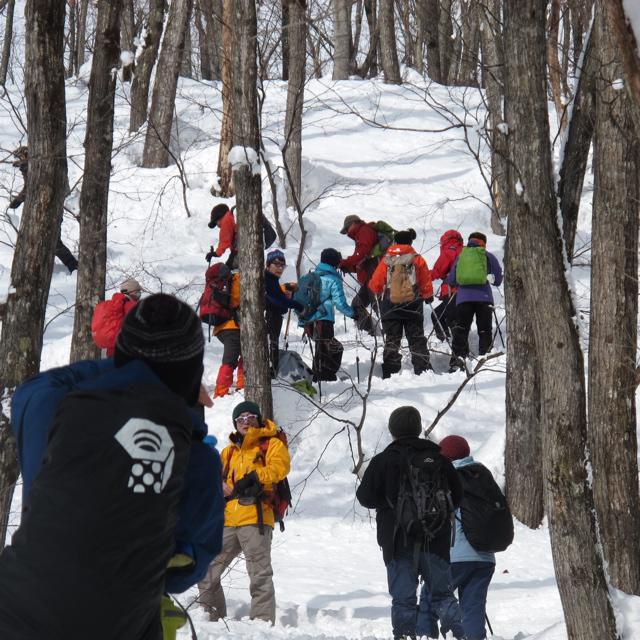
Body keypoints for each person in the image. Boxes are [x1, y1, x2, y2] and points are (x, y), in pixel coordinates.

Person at [0, 293, 225, 640]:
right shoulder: (198, 461)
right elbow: (186, 567)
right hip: (119, 624)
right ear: (191, 376)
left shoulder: (59, 408)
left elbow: (35, 387)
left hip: (14, 611)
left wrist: (127, 368)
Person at [356, 406, 466, 640]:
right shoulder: (439, 460)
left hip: (397, 543)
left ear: (392, 430)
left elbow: (364, 497)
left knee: (403, 600)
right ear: (418, 428)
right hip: (435, 539)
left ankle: (405, 636)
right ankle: (459, 635)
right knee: (443, 596)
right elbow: (457, 497)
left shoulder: (384, 461)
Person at [198, 401, 291, 624]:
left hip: (257, 517)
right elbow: (212, 479)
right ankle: (211, 620)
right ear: (235, 423)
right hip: (229, 519)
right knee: (206, 570)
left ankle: (260, 625)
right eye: (240, 419)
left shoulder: (272, 445)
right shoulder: (228, 452)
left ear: (258, 419)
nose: (245, 422)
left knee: (259, 575)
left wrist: (254, 478)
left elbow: (280, 468)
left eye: (250, 417)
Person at [439, 435, 495, 640]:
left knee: (430, 598)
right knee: (473, 605)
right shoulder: (482, 475)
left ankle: (426, 635)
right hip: (485, 556)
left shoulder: (447, 479)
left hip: (456, 556)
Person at [368, 229, 434, 378]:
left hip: (390, 305)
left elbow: (375, 283)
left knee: (392, 339)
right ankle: (422, 369)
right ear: (411, 242)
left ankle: (390, 371)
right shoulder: (417, 259)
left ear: (395, 242)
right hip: (413, 305)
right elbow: (425, 280)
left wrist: (376, 290)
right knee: (416, 338)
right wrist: (428, 295)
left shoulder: (387, 259)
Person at [8, 145, 79, 274]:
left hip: (50, 210)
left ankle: (74, 267)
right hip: (45, 209)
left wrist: (18, 201)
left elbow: (31, 187)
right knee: (39, 240)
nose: (20, 162)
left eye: (21, 158)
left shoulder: (35, 167)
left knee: (54, 242)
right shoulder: (36, 166)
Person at [447, 232, 503, 372]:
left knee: (461, 330)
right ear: (483, 242)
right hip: (484, 298)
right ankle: (485, 361)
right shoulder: (487, 256)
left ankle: (457, 362)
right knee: (484, 331)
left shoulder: (461, 256)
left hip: (463, 299)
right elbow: (498, 280)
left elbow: (452, 279)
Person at [303, 248, 355, 382]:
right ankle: (326, 377)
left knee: (321, 348)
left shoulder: (311, 276)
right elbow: (340, 303)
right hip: (324, 319)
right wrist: (353, 314)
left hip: (310, 319)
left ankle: (318, 376)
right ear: (334, 263)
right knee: (332, 348)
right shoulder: (332, 279)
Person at [338, 214, 380, 335]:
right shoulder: (360, 235)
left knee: (377, 306)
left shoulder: (364, 231)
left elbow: (362, 253)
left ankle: (387, 333)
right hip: (369, 278)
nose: (347, 233)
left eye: (347, 229)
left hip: (375, 277)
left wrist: (345, 262)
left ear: (353, 224)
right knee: (357, 305)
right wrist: (348, 266)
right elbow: (362, 261)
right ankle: (373, 333)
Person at [264, 249, 303, 377]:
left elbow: (281, 303)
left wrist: (288, 298)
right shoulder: (267, 279)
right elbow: (278, 301)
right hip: (269, 316)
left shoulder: (273, 280)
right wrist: (297, 305)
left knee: (273, 343)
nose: (280, 268)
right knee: (271, 344)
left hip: (274, 317)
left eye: (282, 265)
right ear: (268, 265)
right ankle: (271, 373)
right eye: (276, 264)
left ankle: (272, 372)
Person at [210, 267, 243, 398]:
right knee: (231, 358)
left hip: (221, 326)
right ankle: (221, 391)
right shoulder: (237, 279)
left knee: (244, 353)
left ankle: (243, 384)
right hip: (232, 326)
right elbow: (235, 300)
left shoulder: (224, 281)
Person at [91, 277, 142, 357]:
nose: (139, 297)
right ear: (131, 293)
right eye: (138, 293)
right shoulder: (132, 306)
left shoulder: (110, 305)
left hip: (111, 355)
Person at [429, 229, 464, 342]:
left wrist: (421, 277)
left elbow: (437, 271)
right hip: (469, 294)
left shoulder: (449, 251)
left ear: (445, 241)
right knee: (453, 319)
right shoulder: (466, 250)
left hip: (453, 292)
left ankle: (447, 343)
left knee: (438, 316)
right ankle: (459, 347)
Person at [206, 203, 237, 268]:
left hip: (239, 250)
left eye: (216, 222)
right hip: (239, 248)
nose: (217, 226)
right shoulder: (231, 216)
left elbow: (224, 241)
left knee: (229, 270)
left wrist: (216, 253)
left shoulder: (226, 220)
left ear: (219, 217)